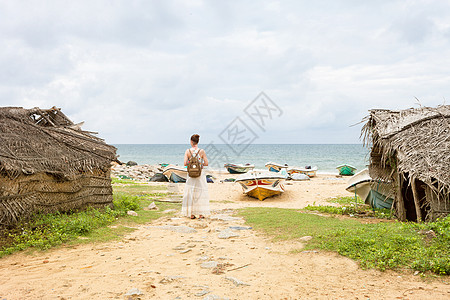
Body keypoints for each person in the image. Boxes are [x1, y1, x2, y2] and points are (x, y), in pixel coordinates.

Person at [182, 134, 210, 219]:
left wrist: (191, 164)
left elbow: (185, 163)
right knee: (200, 193)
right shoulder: (201, 151)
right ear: (198, 142)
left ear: (191, 141)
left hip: (191, 175)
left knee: (191, 193)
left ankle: (191, 214)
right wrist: (199, 164)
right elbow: (206, 163)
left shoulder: (188, 151)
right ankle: (201, 213)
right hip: (199, 175)